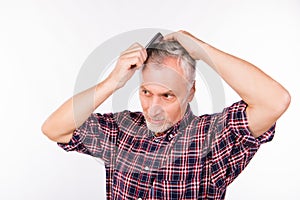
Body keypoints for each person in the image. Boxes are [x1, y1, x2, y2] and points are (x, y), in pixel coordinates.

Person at [41, 30, 290, 199]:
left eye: (167, 96)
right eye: (146, 92)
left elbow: (275, 101)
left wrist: (201, 49)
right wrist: (112, 82)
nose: (153, 107)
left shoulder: (213, 136)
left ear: (190, 91)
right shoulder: (121, 131)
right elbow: (54, 129)